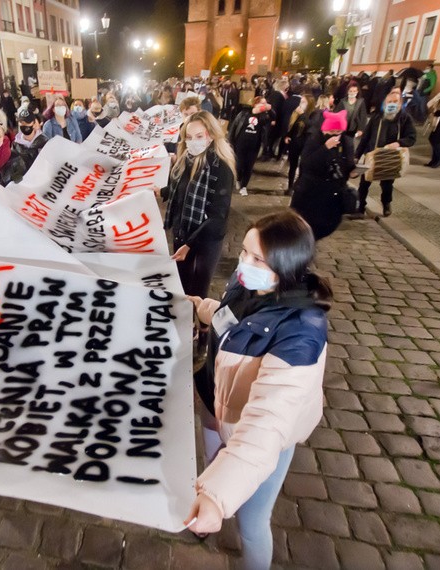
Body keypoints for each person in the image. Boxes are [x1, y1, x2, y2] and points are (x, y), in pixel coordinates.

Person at [184, 209, 332, 570]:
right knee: (212, 461)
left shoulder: (302, 330)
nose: (243, 263)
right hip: (215, 400)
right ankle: (203, 517)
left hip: (255, 435)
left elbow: (266, 423)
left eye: (256, 258)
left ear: (285, 265)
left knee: (251, 523)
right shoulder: (247, 284)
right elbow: (230, 318)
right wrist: (201, 308)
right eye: (244, 252)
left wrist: (218, 498)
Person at [163, 111, 236, 303]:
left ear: (210, 136)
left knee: (197, 291)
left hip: (205, 240)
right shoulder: (185, 159)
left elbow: (218, 217)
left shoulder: (221, 168)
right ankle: (185, 323)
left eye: (199, 136)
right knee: (182, 286)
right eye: (188, 137)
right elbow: (179, 190)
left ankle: (200, 329)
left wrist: (190, 244)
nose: (192, 141)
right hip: (182, 234)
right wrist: (160, 191)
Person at [290, 109, 354, 240]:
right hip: (310, 194)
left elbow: (348, 164)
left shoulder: (346, 142)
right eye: (332, 132)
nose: (335, 135)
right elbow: (307, 164)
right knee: (301, 228)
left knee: (323, 228)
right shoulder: (314, 140)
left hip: (332, 197)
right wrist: (325, 148)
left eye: (338, 132)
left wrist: (353, 171)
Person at [354, 91, 416, 218]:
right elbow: (365, 138)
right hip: (372, 155)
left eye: (395, 102)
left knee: (387, 184)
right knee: (364, 183)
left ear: (400, 104)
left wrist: (399, 143)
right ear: (385, 103)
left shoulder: (404, 118)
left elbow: (411, 137)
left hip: (390, 157)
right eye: (389, 102)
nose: (392, 104)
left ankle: (386, 203)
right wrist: (357, 155)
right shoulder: (377, 117)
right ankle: (360, 208)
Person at [229, 97, 272, 196]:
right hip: (240, 144)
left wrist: (269, 109)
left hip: (254, 146)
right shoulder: (244, 114)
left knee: (249, 167)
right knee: (239, 165)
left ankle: (244, 187)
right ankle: (239, 179)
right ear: (255, 104)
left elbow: (273, 117)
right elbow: (234, 127)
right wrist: (230, 141)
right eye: (262, 103)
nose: (263, 105)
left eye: (265, 103)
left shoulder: (263, 117)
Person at [284, 95, 314, 193]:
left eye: (304, 102)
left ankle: (299, 187)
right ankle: (290, 187)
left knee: (303, 167)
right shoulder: (296, 113)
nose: (301, 103)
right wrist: (288, 135)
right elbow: (293, 126)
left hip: (305, 144)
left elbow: (310, 127)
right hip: (295, 143)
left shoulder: (312, 114)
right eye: (301, 101)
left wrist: (302, 115)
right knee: (293, 166)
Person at [335, 81, 367, 155]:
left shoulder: (360, 102)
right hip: (342, 127)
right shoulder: (343, 101)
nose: (352, 93)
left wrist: (361, 129)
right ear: (348, 91)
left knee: (350, 145)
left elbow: (363, 116)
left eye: (354, 91)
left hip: (353, 127)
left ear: (357, 91)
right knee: (340, 144)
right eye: (351, 91)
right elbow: (337, 113)